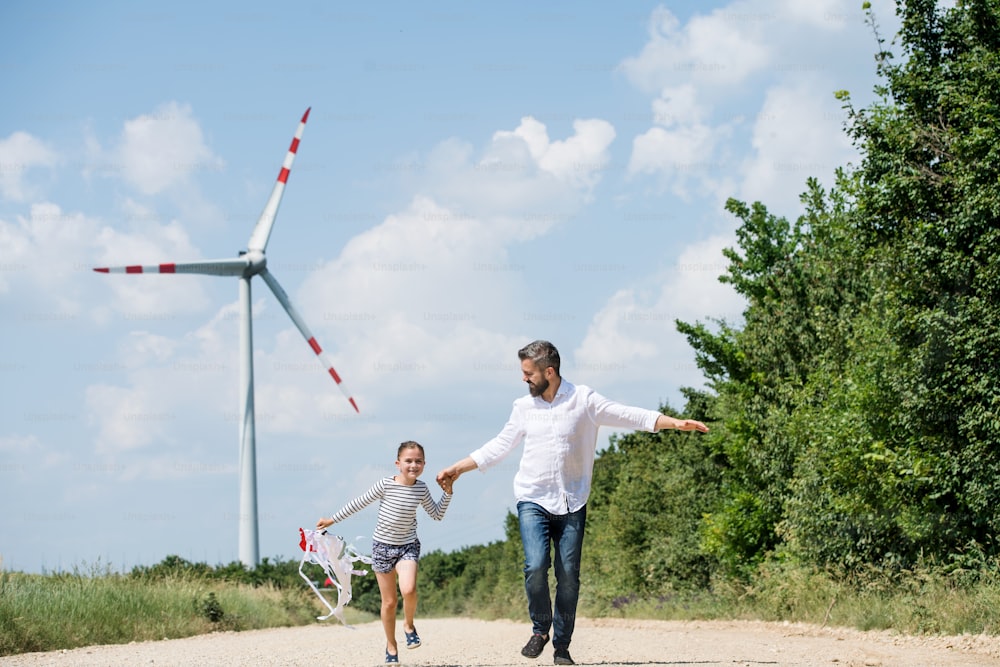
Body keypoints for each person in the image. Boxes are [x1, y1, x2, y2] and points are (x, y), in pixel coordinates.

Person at [436, 340, 708, 666]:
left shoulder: (584, 400)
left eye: (529, 373)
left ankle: (562, 647)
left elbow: (626, 414)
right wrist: (458, 468)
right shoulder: (523, 408)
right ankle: (540, 628)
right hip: (533, 498)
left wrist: (673, 422)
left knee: (568, 577)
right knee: (536, 565)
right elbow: (499, 446)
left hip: (573, 502)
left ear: (549, 372)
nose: (524, 380)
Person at [318, 440, 453, 664]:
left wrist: (447, 493)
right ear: (398, 463)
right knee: (389, 603)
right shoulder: (385, 484)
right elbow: (358, 503)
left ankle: (409, 625)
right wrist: (332, 520)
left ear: (424, 464)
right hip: (382, 548)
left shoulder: (421, 488)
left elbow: (437, 514)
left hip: (407, 546)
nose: (413, 465)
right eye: (408, 461)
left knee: (409, 589)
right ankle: (391, 645)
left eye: (418, 461)